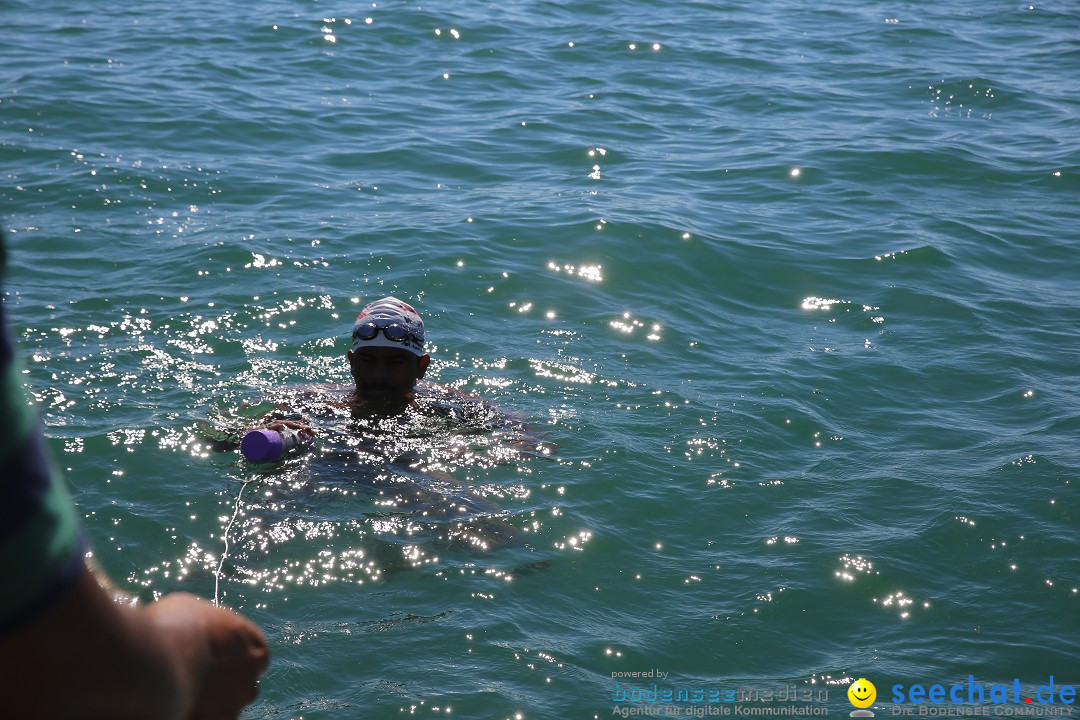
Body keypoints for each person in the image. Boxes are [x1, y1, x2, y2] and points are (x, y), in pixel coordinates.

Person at [0, 233, 269, 719]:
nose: (378, 374)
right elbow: (215, 435)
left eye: (394, 363)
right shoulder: (315, 398)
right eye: (368, 360)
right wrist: (203, 637)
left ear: (418, 367)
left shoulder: (447, 409)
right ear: (352, 360)